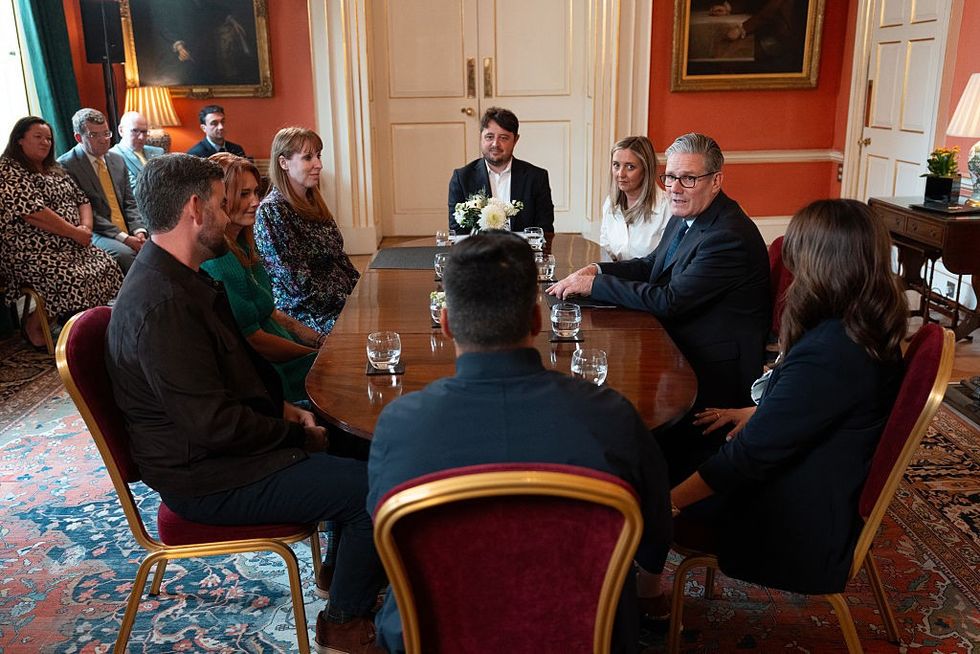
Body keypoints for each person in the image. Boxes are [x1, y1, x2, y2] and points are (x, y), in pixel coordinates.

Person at [105, 153, 386, 653]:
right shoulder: (164, 304)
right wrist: (298, 434)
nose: (230, 212)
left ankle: (340, 577)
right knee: (375, 491)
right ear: (195, 208)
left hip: (217, 451)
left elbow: (228, 384)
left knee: (370, 448)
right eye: (220, 202)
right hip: (207, 476)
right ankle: (345, 622)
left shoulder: (179, 277)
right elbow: (213, 425)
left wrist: (285, 411)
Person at [368, 231, 672, 654]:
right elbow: (655, 524)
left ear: (447, 322)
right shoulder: (611, 417)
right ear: (537, 319)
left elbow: (385, 541)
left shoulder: (398, 426)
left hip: (436, 636)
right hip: (589, 634)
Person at [654, 198, 908, 604]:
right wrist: (758, 412)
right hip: (819, 477)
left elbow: (748, 461)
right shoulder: (864, 327)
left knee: (650, 468)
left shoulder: (831, 350)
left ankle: (645, 596)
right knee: (682, 439)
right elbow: (826, 408)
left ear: (820, 263)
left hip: (790, 516)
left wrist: (666, 504)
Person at [548, 132, 770, 485]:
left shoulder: (727, 236)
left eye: (688, 178)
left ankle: (641, 497)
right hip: (684, 338)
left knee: (624, 410)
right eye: (670, 177)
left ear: (716, 181)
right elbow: (652, 265)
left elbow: (671, 301)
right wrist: (598, 270)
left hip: (713, 367)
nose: (675, 188)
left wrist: (597, 286)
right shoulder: (686, 215)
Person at [200, 153, 323, 403]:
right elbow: (255, 342)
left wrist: (319, 340)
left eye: (257, 192)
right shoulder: (219, 260)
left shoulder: (245, 244)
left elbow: (271, 312)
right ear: (221, 198)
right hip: (272, 373)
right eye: (244, 194)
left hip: (289, 352)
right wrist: (315, 355)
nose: (256, 201)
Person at [0, 116, 122, 347]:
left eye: (48, 138)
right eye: (38, 137)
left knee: (107, 265)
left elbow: (82, 199)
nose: (45, 142)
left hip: (69, 244)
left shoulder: (54, 169)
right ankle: (36, 327)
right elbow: (33, 212)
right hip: (30, 249)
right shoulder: (8, 170)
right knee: (72, 277)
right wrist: (74, 233)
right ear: (19, 140)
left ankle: (83, 324)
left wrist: (85, 227)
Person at [254, 127, 360, 334]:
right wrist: (348, 301)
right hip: (307, 313)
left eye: (318, 156)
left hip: (337, 303)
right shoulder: (272, 211)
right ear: (283, 163)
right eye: (307, 158)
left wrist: (361, 290)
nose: (318, 165)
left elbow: (339, 258)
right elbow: (297, 286)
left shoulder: (313, 203)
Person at [57, 108, 148, 273]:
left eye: (106, 133)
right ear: (79, 137)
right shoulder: (66, 165)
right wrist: (125, 238)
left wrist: (138, 230)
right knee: (126, 254)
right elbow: (87, 213)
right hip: (96, 232)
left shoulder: (117, 160)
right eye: (94, 135)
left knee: (158, 245)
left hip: (128, 228)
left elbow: (129, 202)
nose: (103, 140)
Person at [448, 107, 555, 233]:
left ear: (515, 140)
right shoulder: (462, 178)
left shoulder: (536, 177)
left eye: (503, 138)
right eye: (489, 137)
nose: (495, 144)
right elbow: (457, 231)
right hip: (478, 250)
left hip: (522, 250)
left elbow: (544, 228)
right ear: (480, 137)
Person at [599, 135, 670, 262]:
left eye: (630, 167)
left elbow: (664, 261)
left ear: (646, 169)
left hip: (649, 280)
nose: (621, 174)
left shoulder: (667, 207)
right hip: (616, 278)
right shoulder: (610, 203)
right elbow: (606, 250)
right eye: (616, 165)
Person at [109, 111, 165, 188]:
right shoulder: (113, 156)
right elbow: (134, 190)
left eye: (144, 132)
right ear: (121, 130)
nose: (141, 137)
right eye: (135, 131)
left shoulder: (158, 152)